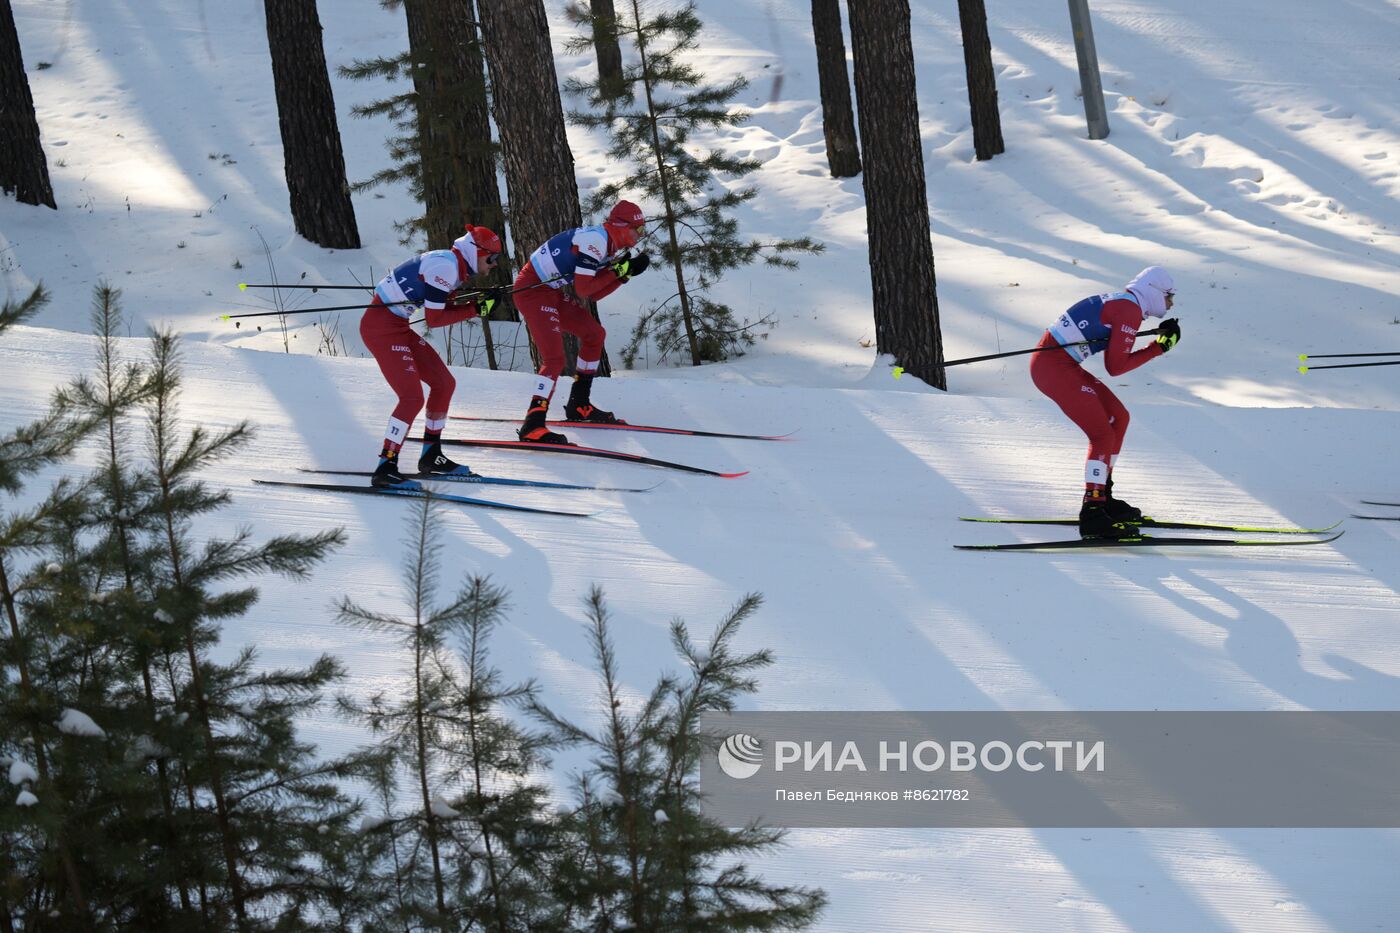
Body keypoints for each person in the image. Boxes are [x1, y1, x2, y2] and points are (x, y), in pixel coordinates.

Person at [1029, 266, 1180, 538]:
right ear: (1154, 291)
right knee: (1101, 433)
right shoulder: (1129, 311)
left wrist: (1156, 342)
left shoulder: (1126, 305)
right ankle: (1093, 511)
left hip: (1058, 364)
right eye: (1169, 295)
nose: (1171, 302)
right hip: (1054, 367)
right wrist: (1159, 348)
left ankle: (1103, 496)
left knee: (1118, 417)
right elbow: (1116, 367)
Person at [361, 225, 501, 488]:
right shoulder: (446, 266)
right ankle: (386, 466)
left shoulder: (453, 266)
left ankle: (431, 456)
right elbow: (435, 319)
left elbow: (441, 304)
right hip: (381, 328)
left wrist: (478, 302)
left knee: (444, 383)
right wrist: (477, 309)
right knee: (412, 397)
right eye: (491, 258)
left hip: (397, 325)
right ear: (475, 252)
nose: (494, 264)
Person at [511, 200, 650, 445]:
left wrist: (624, 274)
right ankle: (532, 424)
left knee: (594, 334)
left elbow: (595, 294)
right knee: (554, 359)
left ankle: (579, 404)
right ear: (621, 226)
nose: (641, 235)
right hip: (531, 292)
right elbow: (585, 289)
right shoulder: (596, 241)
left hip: (549, 290)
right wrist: (619, 271)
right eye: (637, 229)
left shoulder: (608, 244)